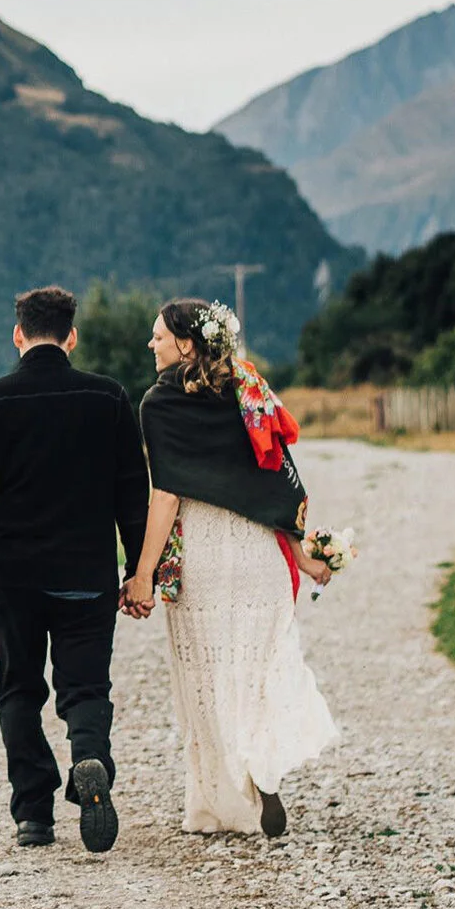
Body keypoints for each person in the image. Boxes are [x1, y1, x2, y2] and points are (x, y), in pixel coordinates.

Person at [0, 285, 150, 851]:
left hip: (13, 577)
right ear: (71, 336)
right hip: (87, 575)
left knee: (18, 690)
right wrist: (140, 572)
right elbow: (132, 494)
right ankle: (90, 758)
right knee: (85, 686)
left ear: (17, 334)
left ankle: (34, 815)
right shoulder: (109, 398)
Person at [122, 297, 338, 838]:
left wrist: (144, 572)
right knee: (260, 670)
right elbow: (271, 481)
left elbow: (167, 495)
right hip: (258, 552)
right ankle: (264, 770)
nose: (152, 345)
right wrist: (304, 557)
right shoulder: (248, 390)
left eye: (159, 337)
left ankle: (223, 799)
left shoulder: (159, 404)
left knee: (209, 677)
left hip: (204, 554)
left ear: (187, 343)